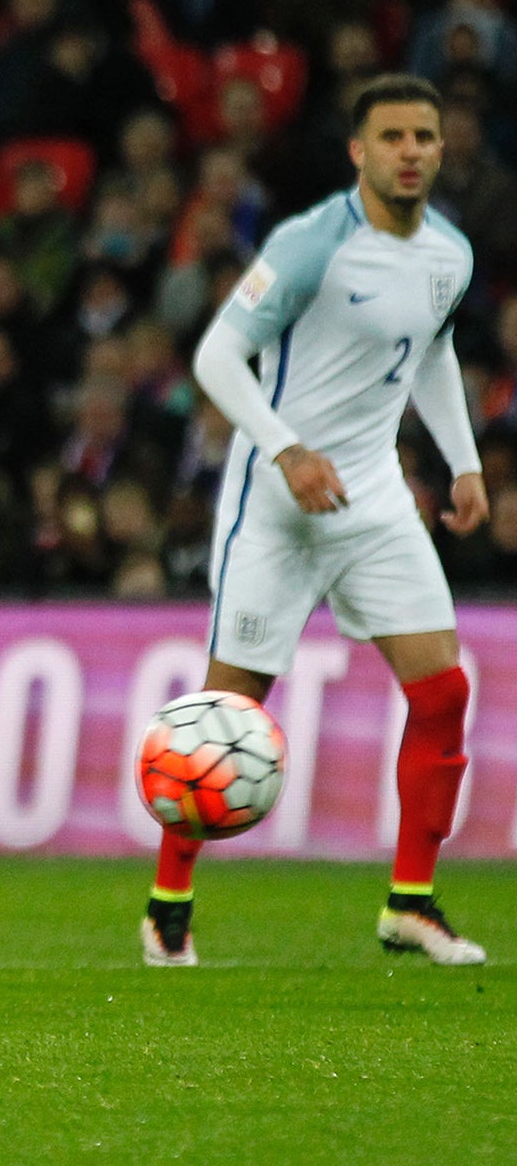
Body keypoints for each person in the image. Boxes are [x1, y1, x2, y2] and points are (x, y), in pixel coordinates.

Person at [144, 75, 488, 968]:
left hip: (372, 499)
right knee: (229, 714)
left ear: (441, 151)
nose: (410, 151)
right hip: (277, 505)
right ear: (358, 151)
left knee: (444, 693)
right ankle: (168, 902)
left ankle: (410, 903)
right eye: (392, 137)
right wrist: (286, 449)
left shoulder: (450, 254)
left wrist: (466, 463)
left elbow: (434, 353)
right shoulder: (312, 244)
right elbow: (218, 355)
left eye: (424, 136)